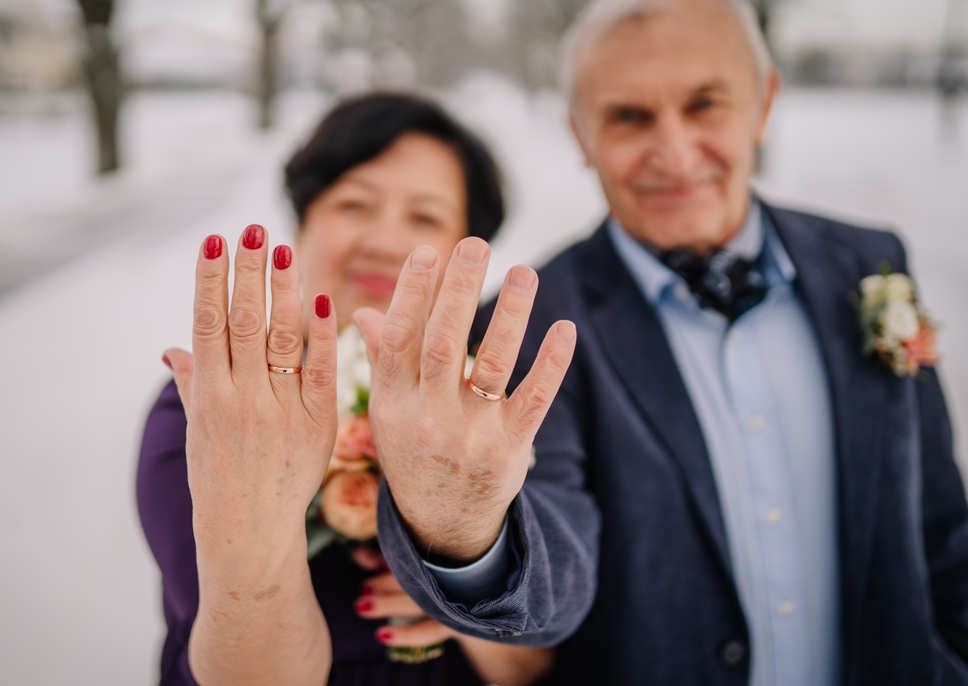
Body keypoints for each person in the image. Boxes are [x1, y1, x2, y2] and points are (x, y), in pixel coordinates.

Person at [366, 1, 968, 684]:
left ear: (763, 102)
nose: (675, 152)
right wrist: (469, 531)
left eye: (705, 104)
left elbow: (940, 523)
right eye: (629, 117)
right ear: (580, 134)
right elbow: (553, 584)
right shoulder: (526, 322)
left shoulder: (867, 265)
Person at [136, 94, 557, 686]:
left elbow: (530, 666)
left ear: (469, 250)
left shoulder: (504, 414)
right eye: (354, 204)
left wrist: (467, 591)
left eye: (425, 218)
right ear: (304, 223)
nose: (385, 241)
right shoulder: (203, 412)